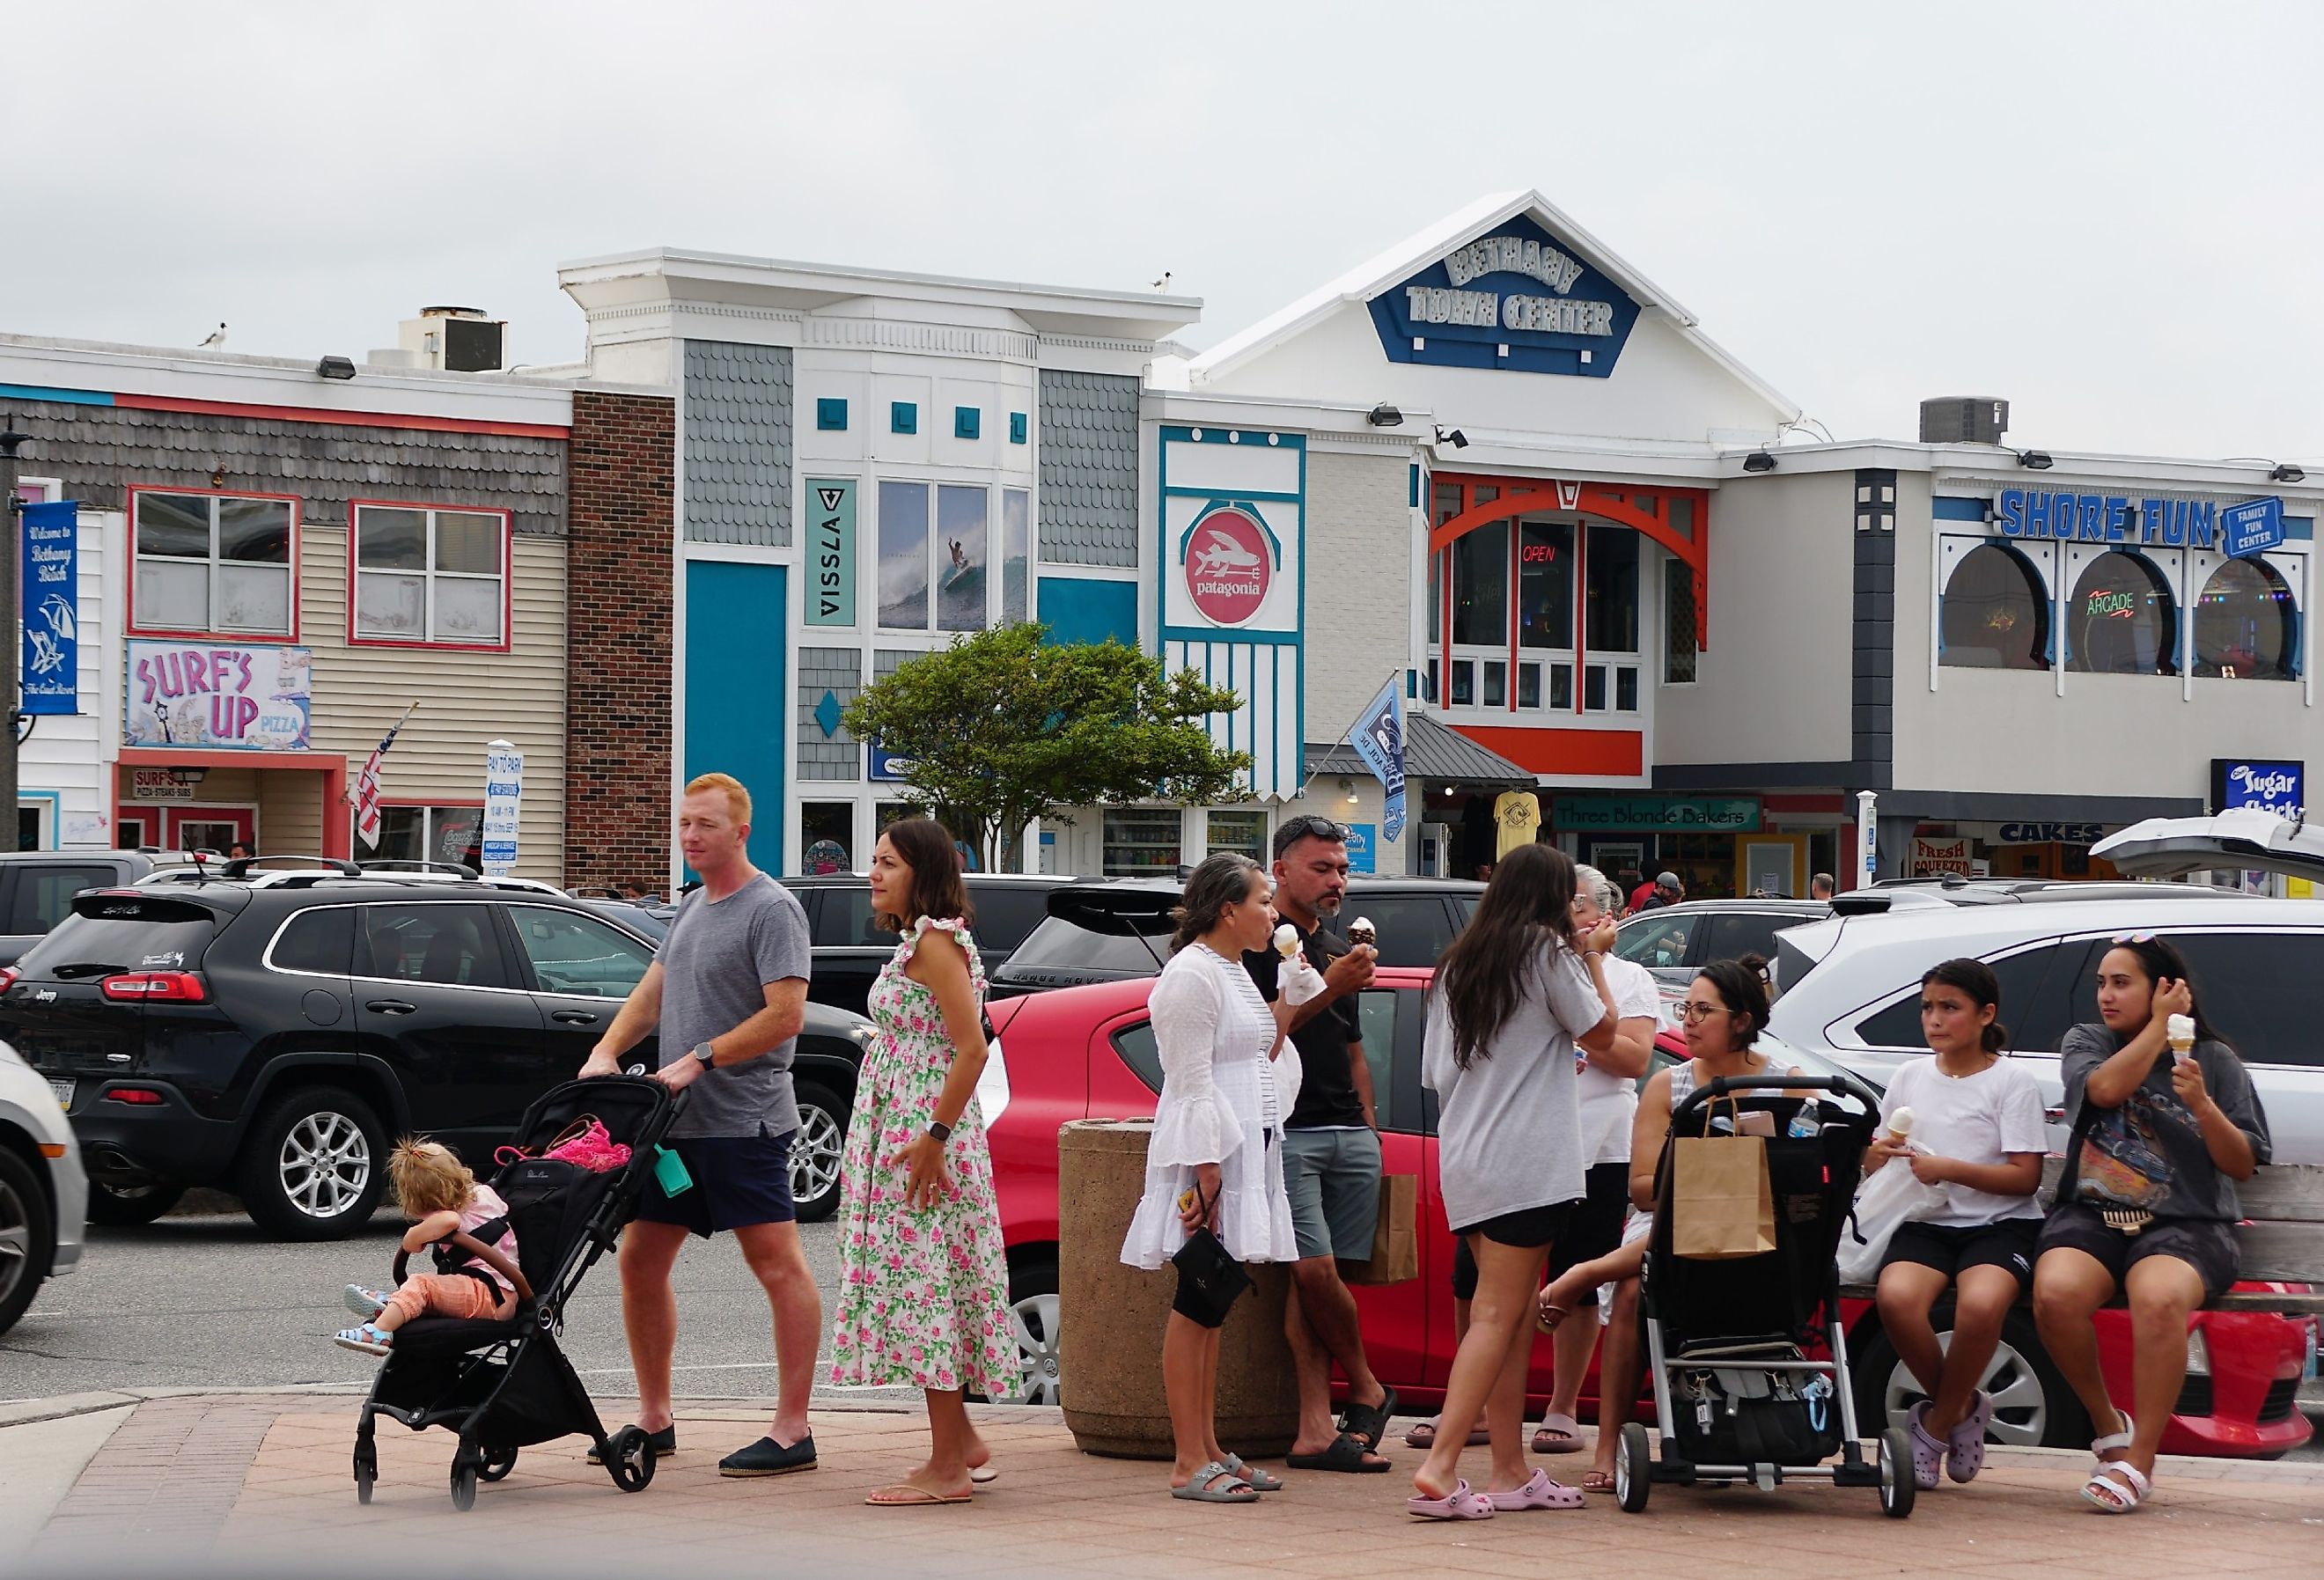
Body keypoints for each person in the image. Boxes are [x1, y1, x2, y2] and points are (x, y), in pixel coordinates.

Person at [578, 772, 821, 1477]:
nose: (690, 835)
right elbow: (652, 995)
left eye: (705, 824)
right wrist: (605, 1049)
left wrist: (701, 1058)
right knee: (639, 1259)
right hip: (672, 1128)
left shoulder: (770, 909)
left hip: (743, 1122)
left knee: (775, 1265)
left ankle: (791, 1429)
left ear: (741, 832)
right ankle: (655, 1419)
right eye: (685, 823)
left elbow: (786, 1015)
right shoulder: (689, 907)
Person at [1408, 845, 1617, 1520]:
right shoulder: (1547, 953)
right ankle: (1441, 1465)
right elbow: (1605, 1032)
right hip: (1528, 1161)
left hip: (1466, 1155)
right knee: (1498, 1315)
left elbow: (1435, 1075)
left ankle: (1509, 1468)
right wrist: (1592, 957)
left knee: (1513, 1314)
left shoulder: (1454, 965)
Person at [2031, 935, 2269, 1514]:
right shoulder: (2088, 1042)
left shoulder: (2214, 1060)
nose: (2107, 995)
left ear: (2163, 986)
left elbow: (2241, 1161)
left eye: (2122, 982)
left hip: (2188, 1220)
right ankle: (2108, 1423)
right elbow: (2106, 1089)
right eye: (2102, 983)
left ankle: (2140, 1458)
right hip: (2093, 1213)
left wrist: (2204, 1106)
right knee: (2055, 1294)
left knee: (2158, 1296)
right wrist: (2159, 1027)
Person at [1536, 955, 1792, 1494]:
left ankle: (1586, 1273)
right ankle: (1608, 1445)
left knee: (1718, 1217)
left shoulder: (1787, 1085)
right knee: (1632, 1289)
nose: (1688, 1021)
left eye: (1703, 1010)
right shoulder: (1668, 1087)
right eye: (1686, 1008)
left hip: (1761, 1232)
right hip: (1670, 1224)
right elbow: (1643, 1190)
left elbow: (1822, 1170)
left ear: (1742, 1020)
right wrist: (1710, 1174)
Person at [828, 818, 1014, 1506]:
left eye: (889, 862)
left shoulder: (935, 943)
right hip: (907, 1128)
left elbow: (972, 1046)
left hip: (924, 1136)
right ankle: (962, 1442)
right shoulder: (920, 940)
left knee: (928, 1285)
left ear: (924, 871)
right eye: (873, 860)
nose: (873, 873)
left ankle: (947, 1468)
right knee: (927, 1279)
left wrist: (934, 1136)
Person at [1121, 853, 1303, 1504]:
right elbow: (1192, 1077)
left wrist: (1292, 997)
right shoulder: (1190, 976)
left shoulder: (1231, 970)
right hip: (1213, 1154)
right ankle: (1186, 1458)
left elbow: (1258, 1051)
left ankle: (1208, 1445)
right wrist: (1208, 1172)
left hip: (1242, 1145)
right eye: (1263, 899)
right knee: (1196, 1298)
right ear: (1228, 908)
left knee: (1212, 1302)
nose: (1273, 912)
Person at [1240, 816, 1394, 1474]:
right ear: (1279, 870)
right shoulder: (1253, 943)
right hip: (1288, 1130)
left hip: (1347, 1131)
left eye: (1342, 868)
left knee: (1318, 1285)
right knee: (1311, 1270)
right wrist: (1335, 983)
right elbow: (1262, 1037)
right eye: (1321, 868)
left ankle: (1313, 1428)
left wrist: (1369, 1123)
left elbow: (1352, 1047)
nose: (1337, 880)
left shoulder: (1336, 945)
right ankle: (1367, 1386)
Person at [1862, 959, 2047, 1491]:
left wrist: (1949, 1168)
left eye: (1950, 1008)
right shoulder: (1909, 1076)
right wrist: (1878, 1154)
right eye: (1927, 1008)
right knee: (1896, 1300)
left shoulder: (2010, 1081)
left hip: (1999, 1224)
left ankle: (1935, 1426)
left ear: (1986, 1014)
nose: (1935, 1020)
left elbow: (2024, 1179)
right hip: (1925, 1220)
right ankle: (1965, 1406)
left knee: (1982, 1304)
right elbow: (1876, 1156)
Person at [1533, 864, 1658, 1457]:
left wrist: (1590, 976)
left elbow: (1631, 1059)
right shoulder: (1534, 966)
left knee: (1580, 1276)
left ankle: (1563, 1404)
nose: (1572, 915)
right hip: (1531, 1141)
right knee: (1489, 1276)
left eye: (1580, 904)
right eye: (1564, 904)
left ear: (1606, 915)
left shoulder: (1631, 978)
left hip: (1601, 1144)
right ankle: (1480, 1404)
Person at [335, 1140, 518, 1354]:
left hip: (488, 1297)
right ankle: (397, 1302)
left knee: (422, 1284)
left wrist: (412, 1236)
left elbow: (441, 1226)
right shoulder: (485, 1193)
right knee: (428, 1291)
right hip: (500, 1292)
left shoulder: (446, 1217)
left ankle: (379, 1331)